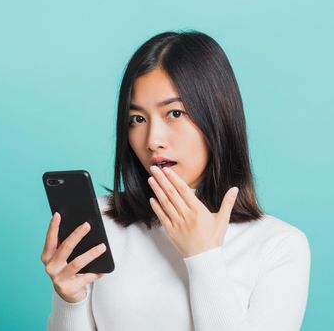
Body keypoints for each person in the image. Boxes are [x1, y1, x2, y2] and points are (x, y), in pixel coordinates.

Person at [40, 30, 310, 330]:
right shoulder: (101, 223)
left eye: (175, 113)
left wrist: (204, 256)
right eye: (137, 119)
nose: (152, 140)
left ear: (217, 116)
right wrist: (70, 300)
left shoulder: (279, 246)